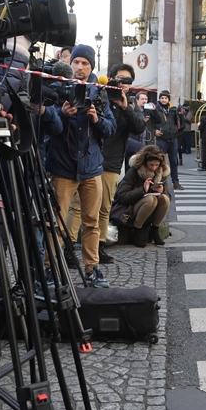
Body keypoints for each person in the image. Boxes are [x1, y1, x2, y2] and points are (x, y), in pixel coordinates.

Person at [44, 44, 116, 288]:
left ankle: (92, 268)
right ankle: (50, 269)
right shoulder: (57, 88)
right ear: (70, 63)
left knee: (91, 222)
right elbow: (47, 125)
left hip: (92, 167)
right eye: (76, 62)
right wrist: (61, 114)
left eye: (85, 63)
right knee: (56, 222)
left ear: (91, 67)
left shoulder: (99, 93)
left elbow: (110, 129)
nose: (80, 67)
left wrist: (96, 119)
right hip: (62, 166)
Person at [71, 62, 145, 265]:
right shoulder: (100, 94)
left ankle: (99, 246)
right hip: (90, 157)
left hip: (111, 162)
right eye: (119, 79)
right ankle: (69, 246)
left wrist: (125, 107)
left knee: (105, 207)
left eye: (127, 81)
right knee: (78, 206)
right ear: (111, 79)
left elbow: (139, 127)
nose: (122, 84)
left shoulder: (130, 104)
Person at [113, 145, 171, 247]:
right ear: (144, 162)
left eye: (156, 165)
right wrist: (143, 189)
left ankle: (155, 229)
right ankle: (137, 230)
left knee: (165, 199)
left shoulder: (160, 172)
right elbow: (122, 196)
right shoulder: (134, 171)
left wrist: (163, 191)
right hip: (132, 209)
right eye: (151, 164)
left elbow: (169, 197)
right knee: (150, 199)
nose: (154, 168)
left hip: (152, 211)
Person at [152, 90, 185, 190]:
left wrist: (181, 115)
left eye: (165, 98)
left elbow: (179, 123)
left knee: (174, 162)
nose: (163, 100)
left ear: (168, 99)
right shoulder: (155, 108)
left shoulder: (173, 109)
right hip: (162, 139)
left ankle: (175, 182)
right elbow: (150, 123)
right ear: (159, 99)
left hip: (173, 138)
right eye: (162, 98)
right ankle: (159, 182)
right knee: (160, 162)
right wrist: (154, 131)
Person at [197, 104, 206, 172]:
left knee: (205, 153)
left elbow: (200, 128)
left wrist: (199, 125)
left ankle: (203, 167)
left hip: (205, 137)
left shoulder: (204, 119)